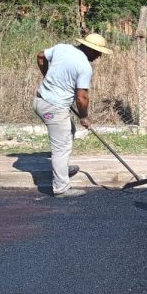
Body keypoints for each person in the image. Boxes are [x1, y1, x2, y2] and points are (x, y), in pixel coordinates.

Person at [32, 33, 113, 198]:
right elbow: (82, 97)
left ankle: (60, 169)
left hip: (41, 100)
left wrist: (48, 77)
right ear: (90, 49)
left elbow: (40, 56)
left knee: (69, 131)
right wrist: (84, 116)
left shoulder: (62, 48)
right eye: (98, 52)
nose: (99, 56)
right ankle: (61, 187)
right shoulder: (84, 66)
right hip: (53, 108)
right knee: (60, 147)